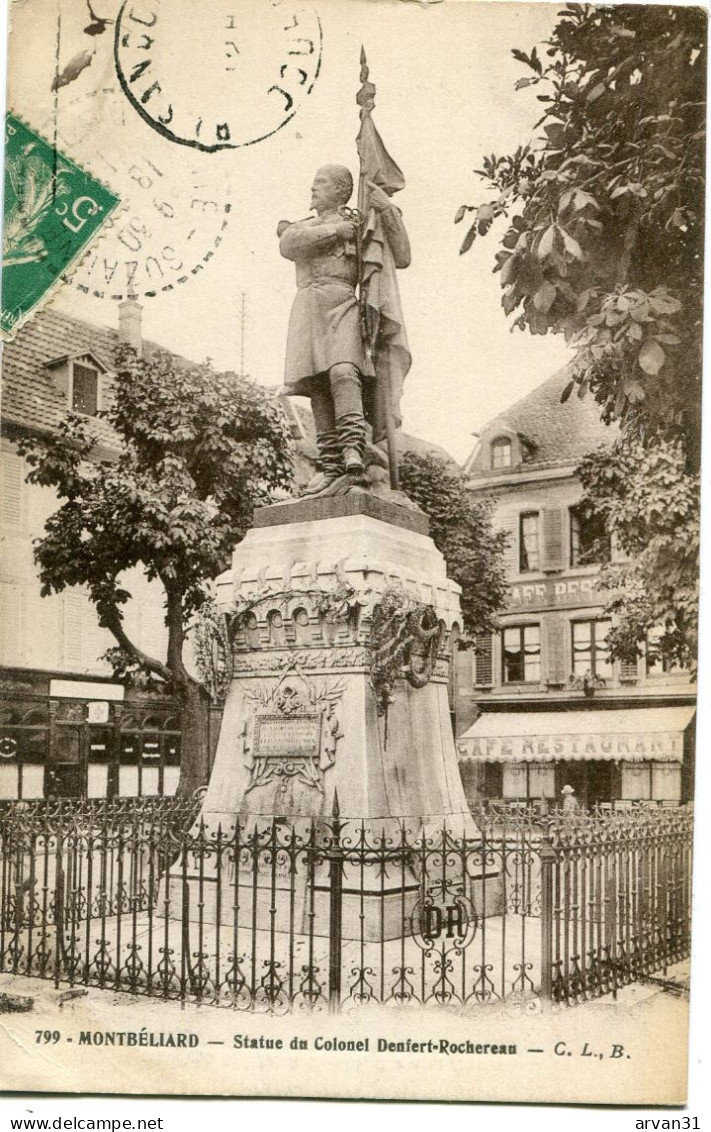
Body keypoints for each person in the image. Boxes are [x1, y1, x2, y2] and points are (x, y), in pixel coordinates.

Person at [279, 164, 410, 495]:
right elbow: (289, 243)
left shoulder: (361, 222)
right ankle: (330, 465)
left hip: (342, 303)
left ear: (341, 190)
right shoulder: (303, 227)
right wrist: (338, 232)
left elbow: (403, 255)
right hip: (308, 307)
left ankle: (353, 448)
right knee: (316, 385)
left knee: (343, 372)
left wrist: (384, 207)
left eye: (321, 183)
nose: (313, 187)